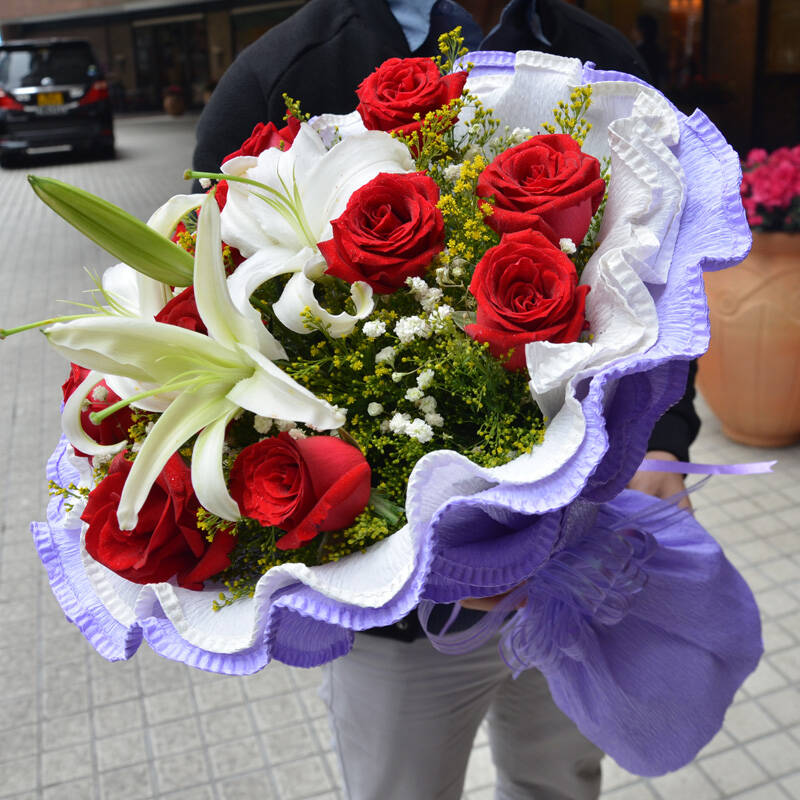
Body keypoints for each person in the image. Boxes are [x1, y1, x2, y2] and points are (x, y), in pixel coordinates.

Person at [192, 3, 699, 797]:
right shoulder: (281, 73)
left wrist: (665, 438)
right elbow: (205, 310)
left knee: (559, 780)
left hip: (576, 566)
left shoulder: (595, 56)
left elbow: (671, 275)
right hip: (395, 620)